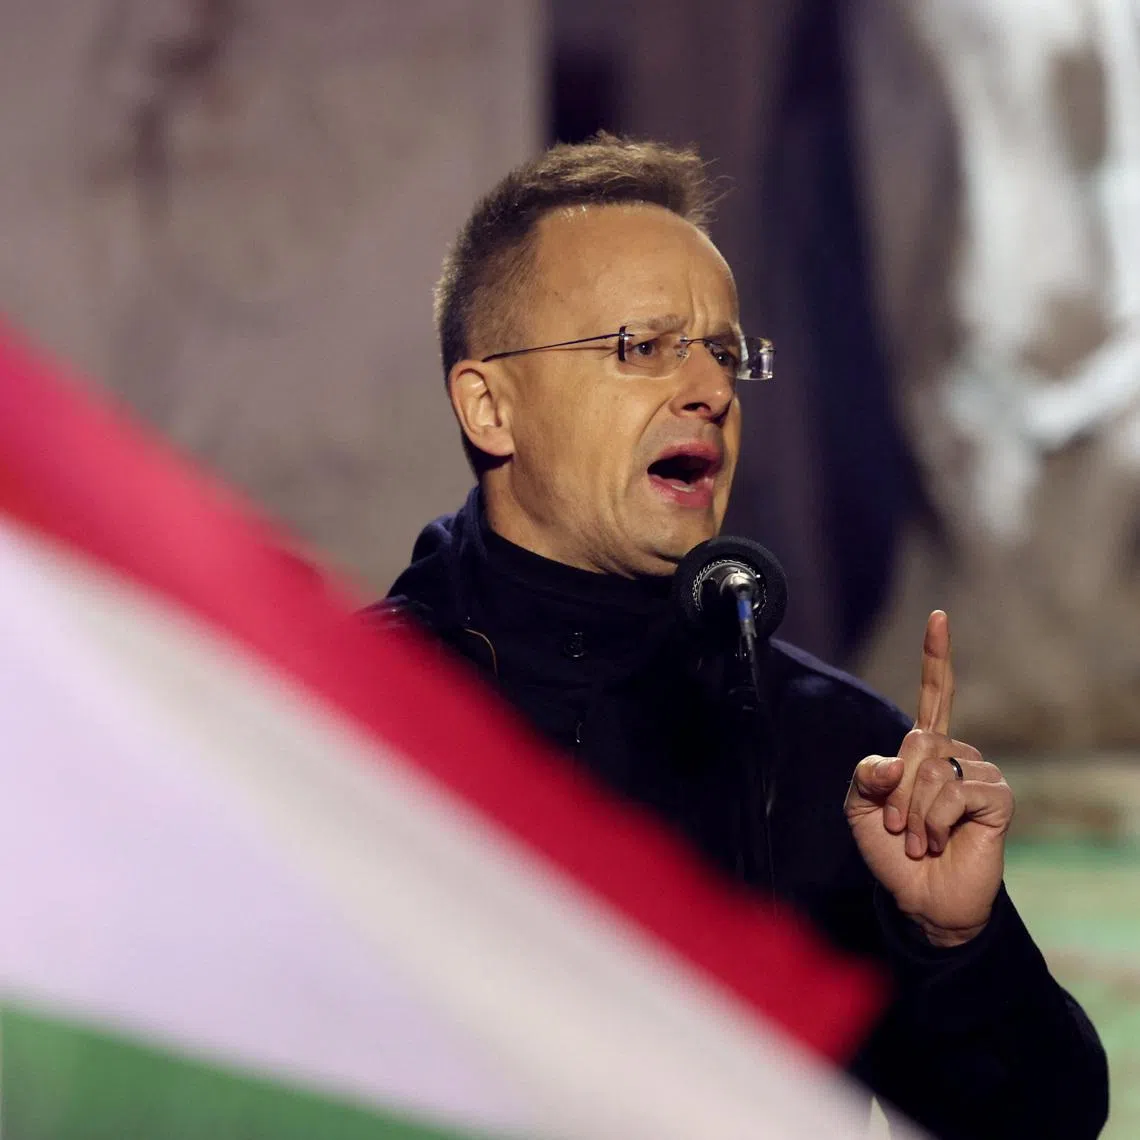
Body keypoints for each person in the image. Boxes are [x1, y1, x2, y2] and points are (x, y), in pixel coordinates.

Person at [375, 134, 1108, 1138]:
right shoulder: (343, 719)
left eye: (724, 352)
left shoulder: (836, 752)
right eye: (643, 346)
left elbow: (1043, 1123)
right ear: (490, 405)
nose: (711, 391)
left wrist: (954, 942)